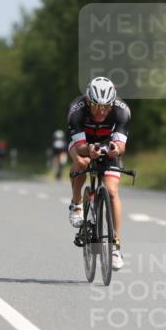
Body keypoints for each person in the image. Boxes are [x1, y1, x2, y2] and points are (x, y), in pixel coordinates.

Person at [67, 76, 130, 269]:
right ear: (88, 101)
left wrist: (115, 150)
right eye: (96, 106)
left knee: (111, 192)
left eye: (106, 106)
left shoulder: (122, 111)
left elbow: (120, 145)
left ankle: (115, 247)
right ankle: (77, 204)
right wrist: (88, 152)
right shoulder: (76, 111)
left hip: (107, 144)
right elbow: (79, 147)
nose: (102, 111)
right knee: (81, 163)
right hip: (83, 143)